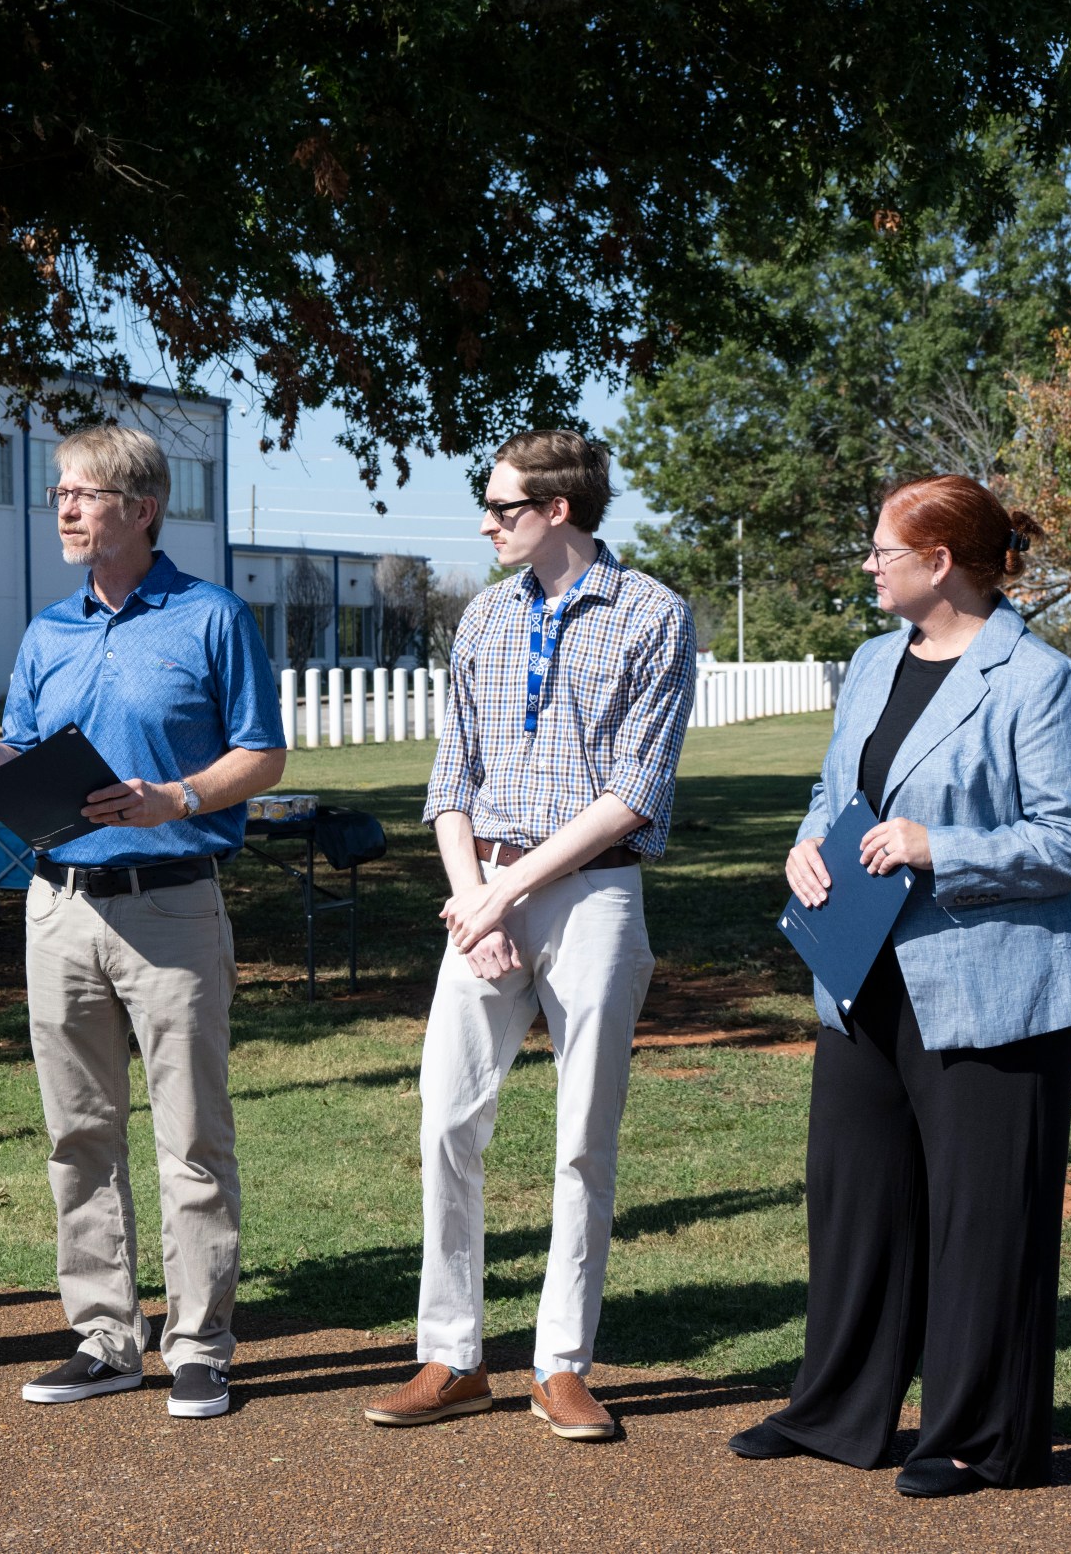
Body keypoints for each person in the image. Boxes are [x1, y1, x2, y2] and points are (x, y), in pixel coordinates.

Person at [0, 423, 286, 1419]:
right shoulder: (45, 633)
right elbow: (20, 774)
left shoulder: (211, 618)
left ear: (141, 509)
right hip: (56, 909)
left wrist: (178, 798)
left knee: (191, 1137)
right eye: (58, 492)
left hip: (173, 907)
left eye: (83, 493)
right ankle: (105, 1338)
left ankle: (198, 1344)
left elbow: (262, 755)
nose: (63, 507)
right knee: (77, 1136)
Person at [728, 475, 1071, 1496]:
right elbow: (832, 791)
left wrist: (935, 846)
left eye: (880, 551)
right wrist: (806, 846)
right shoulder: (867, 664)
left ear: (938, 560)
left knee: (985, 1216)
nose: (866, 564)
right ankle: (835, 1412)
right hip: (859, 971)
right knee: (854, 1199)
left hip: (995, 984)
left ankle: (974, 1438)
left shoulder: (1034, 679)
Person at [364, 430, 695, 1440]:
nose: (485, 522)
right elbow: (448, 773)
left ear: (557, 509)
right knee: (444, 1124)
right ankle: (450, 1356)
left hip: (590, 895)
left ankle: (561, 1365)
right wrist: (475, 900)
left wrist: (508, 891)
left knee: (580, 1141)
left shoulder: (652, 615)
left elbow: (633, 794)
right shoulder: (481, 616)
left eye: (502, 507)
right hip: (483, 894)